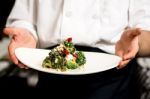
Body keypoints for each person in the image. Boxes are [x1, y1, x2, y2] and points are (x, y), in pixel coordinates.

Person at [3, 0, 150, 99]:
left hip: (111, 78)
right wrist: (26, 34)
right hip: (51, 75)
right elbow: (23, 17)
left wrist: (136, 42)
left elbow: (145, 29)